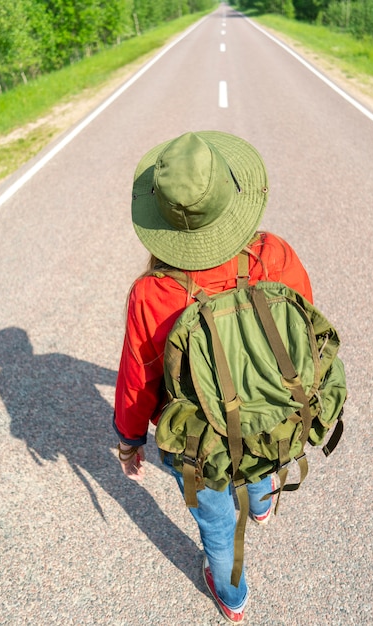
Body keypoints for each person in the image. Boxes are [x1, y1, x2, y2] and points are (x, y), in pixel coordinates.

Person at [113, 131, 313, 624]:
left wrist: (129, 440)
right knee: (263, 443)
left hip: (200, 441)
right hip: (270, 408)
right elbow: (304, 327)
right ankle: (264, 502)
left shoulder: (151, 292)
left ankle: (233, 595)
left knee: (219, 527)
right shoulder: (274, 253)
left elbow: (140, 380)